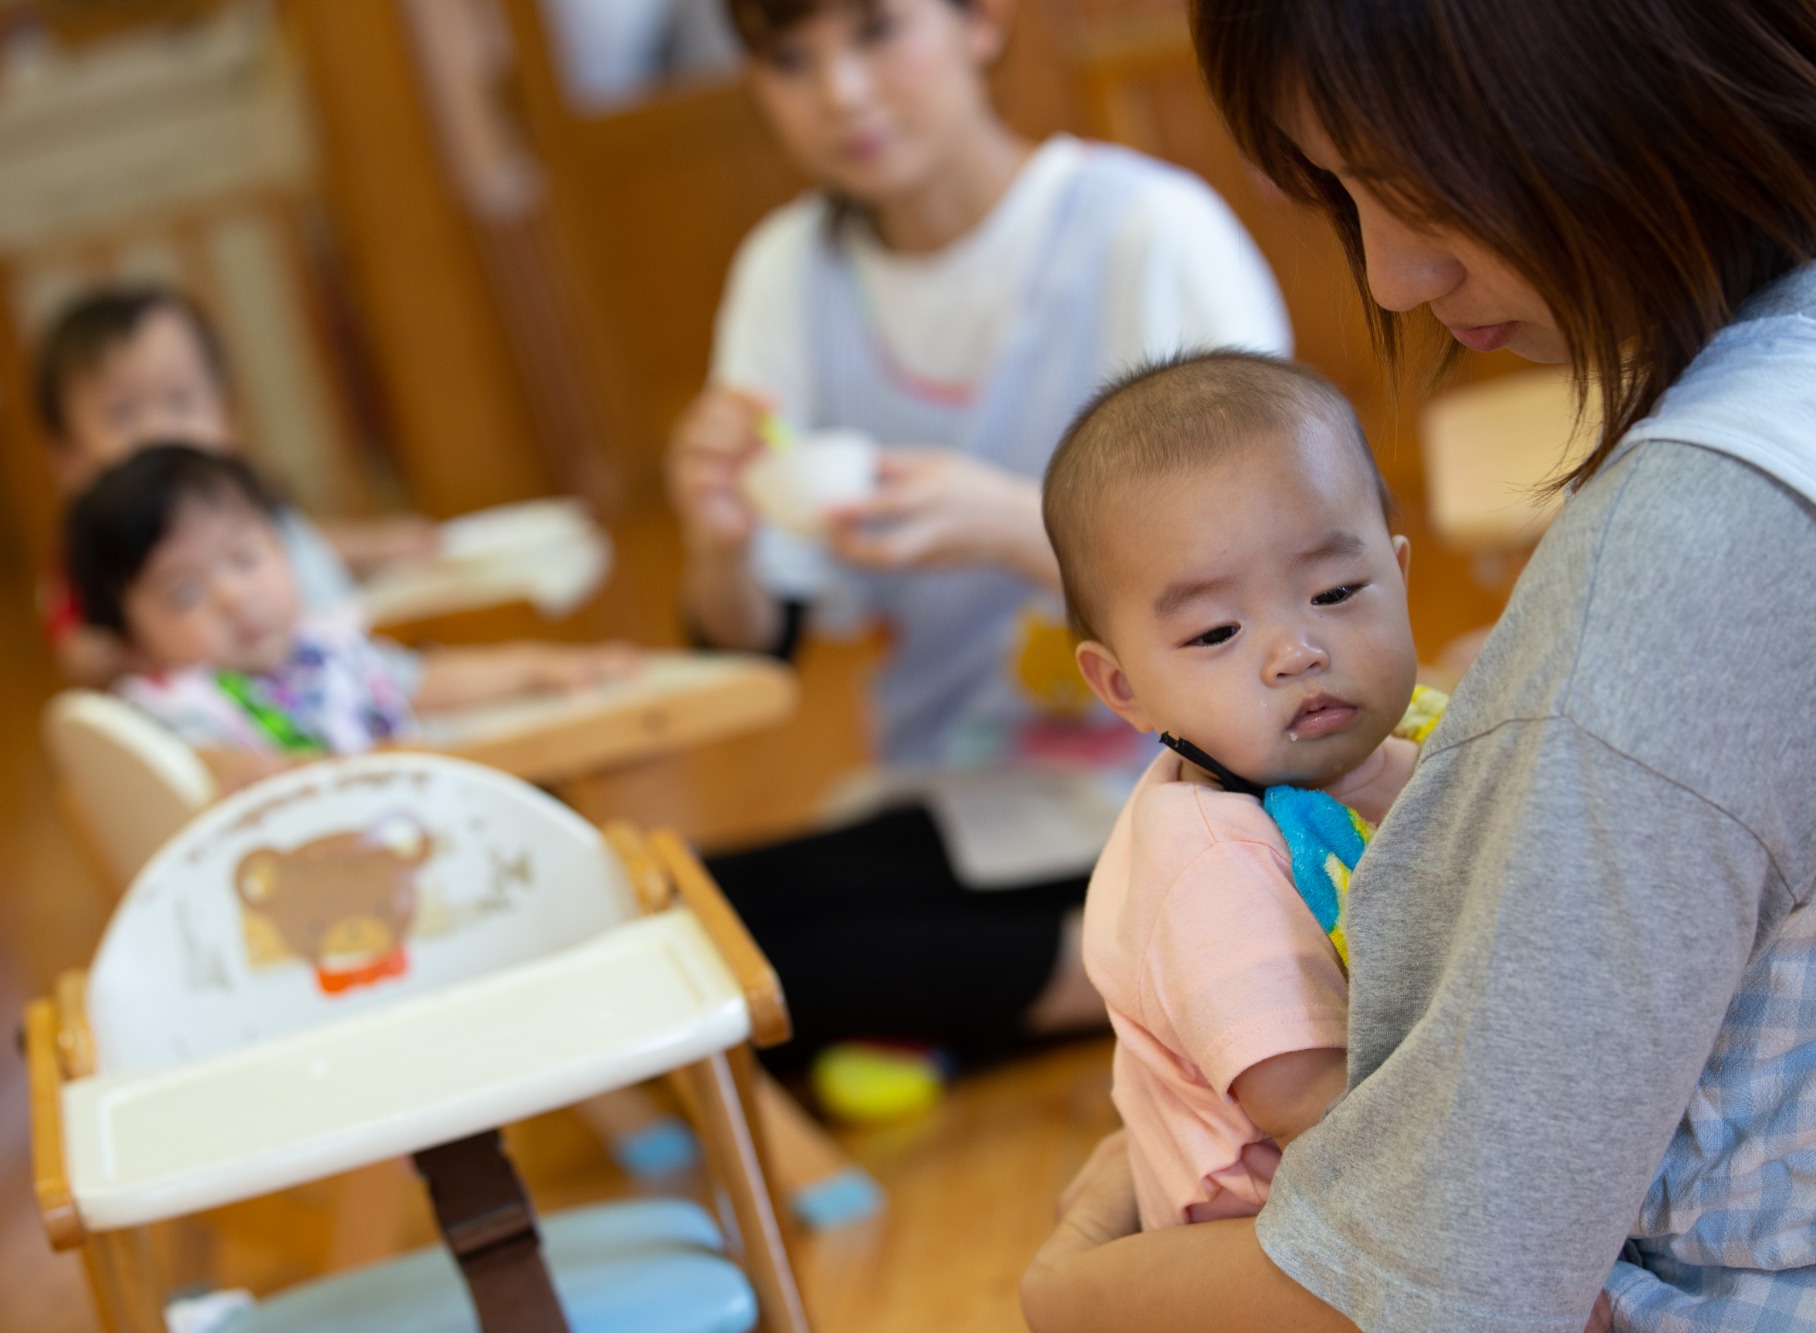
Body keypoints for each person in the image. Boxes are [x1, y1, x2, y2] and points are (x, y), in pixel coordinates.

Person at [1021, 1, 1816, 1329]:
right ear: (1117, 682)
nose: (1389, 276)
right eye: (1342, 197)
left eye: (1408, 182)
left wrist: (1074, 1292)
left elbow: (1453, 1270)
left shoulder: (1687, 541)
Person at [672, 0, 1291, 1065]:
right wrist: (719, 534)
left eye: (875, 32)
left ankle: (1042, 984)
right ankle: (1114, 972)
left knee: (723, 966)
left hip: (1187, 776)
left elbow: (1265, 572)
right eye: (789, 58)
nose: (841, 93)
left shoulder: (1144, 230)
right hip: (957, 789)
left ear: (982, 20)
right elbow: (745, 647)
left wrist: (1019, 527)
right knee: (687, 940)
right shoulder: (789, 271)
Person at [1045, 350, 1423, 1233]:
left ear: (1400, 574)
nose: (1295, 649)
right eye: (1216, 630)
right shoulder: (1209, 864)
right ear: (1121, 687)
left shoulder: (1423, 737)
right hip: (1278, 1231)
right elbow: (1307, 1100)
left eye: (1335, 590)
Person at [63, 445, 634, 788]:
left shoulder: (326, 654)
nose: (235, 596)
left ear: (286, 549)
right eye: (185, 593)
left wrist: (536, 667)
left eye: (245, 557)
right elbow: (186, 767)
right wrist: (247, 772)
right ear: (130, 641)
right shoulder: (173, 705)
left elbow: (424, 681)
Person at [34, 285, 440, 686]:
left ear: (226, 415)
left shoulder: (232, 499)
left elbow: (298, 542)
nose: (160, 430)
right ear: (69, 457)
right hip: (251, 704)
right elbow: (80, 642)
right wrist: (118, 652)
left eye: (180, 400)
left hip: (342, 663)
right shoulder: (106, 549)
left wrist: (377, 546)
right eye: (122, 415)